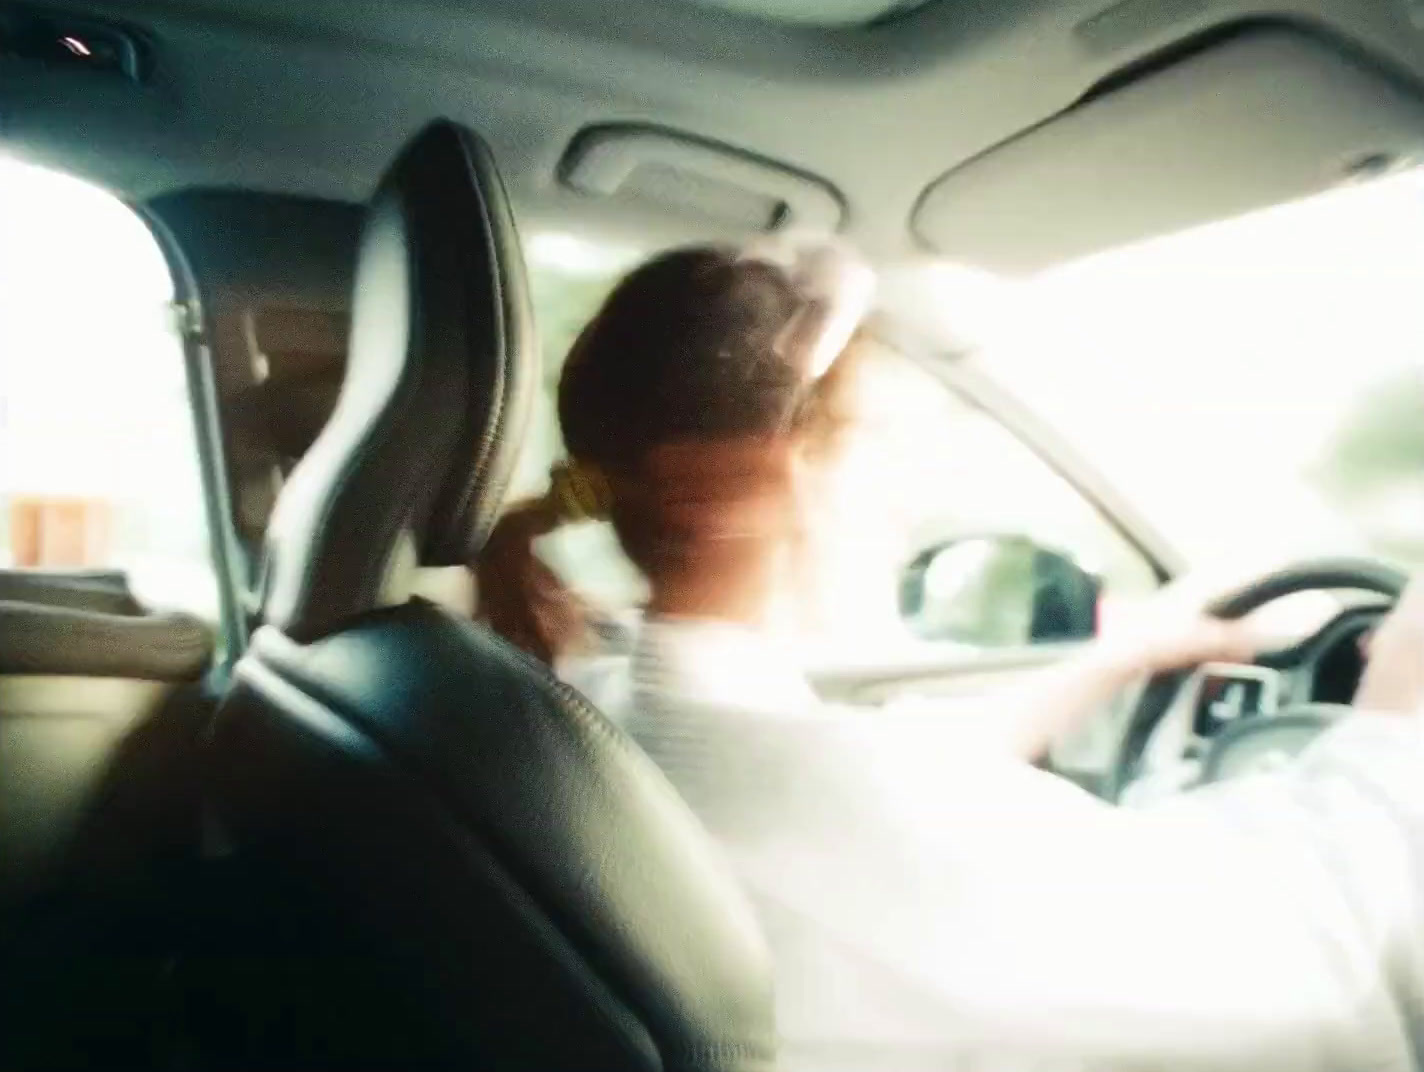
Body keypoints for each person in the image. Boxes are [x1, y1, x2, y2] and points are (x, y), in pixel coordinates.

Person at [477, 242, 1424, 1071]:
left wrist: (1123, 655)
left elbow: (901, 781)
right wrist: (1392, 726)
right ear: (754, 482)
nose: (903, 493)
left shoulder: (604, 704)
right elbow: (1294, 971)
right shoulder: (820, 794)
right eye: (876, 442)